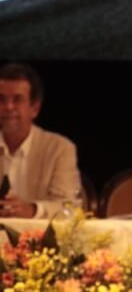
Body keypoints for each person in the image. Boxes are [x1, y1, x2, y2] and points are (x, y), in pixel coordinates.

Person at [0, 63, 81, 218]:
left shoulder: (60, 148)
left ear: (34, 108)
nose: (8, 107)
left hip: (40, 240)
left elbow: (69, 208)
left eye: (17, 100)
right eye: (1, 99)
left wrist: (31, 210)